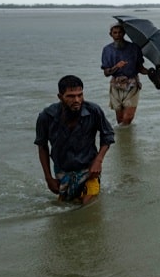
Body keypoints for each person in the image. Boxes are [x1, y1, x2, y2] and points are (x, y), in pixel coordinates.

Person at [35, 75, 115, 204]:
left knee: (87, 205)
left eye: (80, 95)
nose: (77, 100)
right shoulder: (47, 116)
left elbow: (108, 135)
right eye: (71, 96)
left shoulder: (93, 111)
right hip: (62, 171)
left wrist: (98, 161)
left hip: (89, 169)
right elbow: (42, 146)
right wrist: (48, 178)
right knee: (65, 207)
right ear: (60, 97)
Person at [101, 22, 150, 125]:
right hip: (116, 85)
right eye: (115, 33)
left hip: (132, 84)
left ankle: (127, 138)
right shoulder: (107, 50)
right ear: (111, 34)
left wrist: (150, 72)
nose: (117, 35)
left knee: (128, 117)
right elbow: (106, 73)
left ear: (124, 33)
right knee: (120, 119)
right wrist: (116, 66)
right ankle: (122, 138)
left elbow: (140, 68)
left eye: (120, 32)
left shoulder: (134, 48)